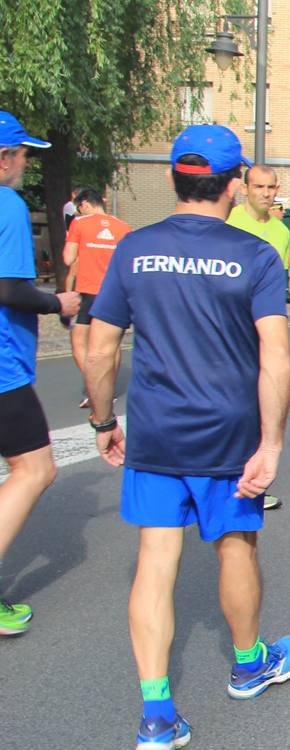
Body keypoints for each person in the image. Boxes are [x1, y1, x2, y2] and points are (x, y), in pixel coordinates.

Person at [83, 123, 290, 750]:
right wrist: (272, 443)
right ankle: (247, 665)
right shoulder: (256, 255)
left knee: (156, 561)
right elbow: (276, 358)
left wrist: (103, 422)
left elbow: (100, 349)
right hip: (228, 433)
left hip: (156, 430)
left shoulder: (134, 249)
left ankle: (156, 714)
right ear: (233, 184)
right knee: (236, 546)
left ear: (175, 179)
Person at [0, 112, 81, 636]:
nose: (27, 164)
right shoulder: (6, 204)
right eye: (24, 154)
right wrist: (58, 301)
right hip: (2, 371)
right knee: (35, 469)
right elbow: (9, 289)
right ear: (3, 157)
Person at [226, 164, 290, 513]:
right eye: (258, 187)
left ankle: (254, 480)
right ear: (244, 188)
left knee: (262, 403)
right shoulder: (231, 222)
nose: (265, 193)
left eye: (270, 187)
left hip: (265, 326)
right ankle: (228, 476)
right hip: (233, 326)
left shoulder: (280, 231)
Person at [63, 188, 130, 407]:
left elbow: (68, 258)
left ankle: (95, 386)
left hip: (88, 290)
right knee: (112, 342)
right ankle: (107, 387)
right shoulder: (123, 227)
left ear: (84, 205)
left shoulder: (80, 223)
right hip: (115, 292)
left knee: (79, 340)